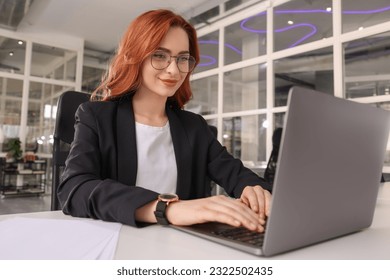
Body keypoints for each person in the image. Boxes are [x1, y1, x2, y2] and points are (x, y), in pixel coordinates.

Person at [58, 9, 272, 232]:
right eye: (160, 55)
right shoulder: (96, 116)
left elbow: (234, 173)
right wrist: (167, 209)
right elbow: (75, 189)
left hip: (180, 247)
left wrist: (254, 189)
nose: (174, 70)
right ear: (135, 56)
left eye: (182, 59)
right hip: (117, 242)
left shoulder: (194, 126)